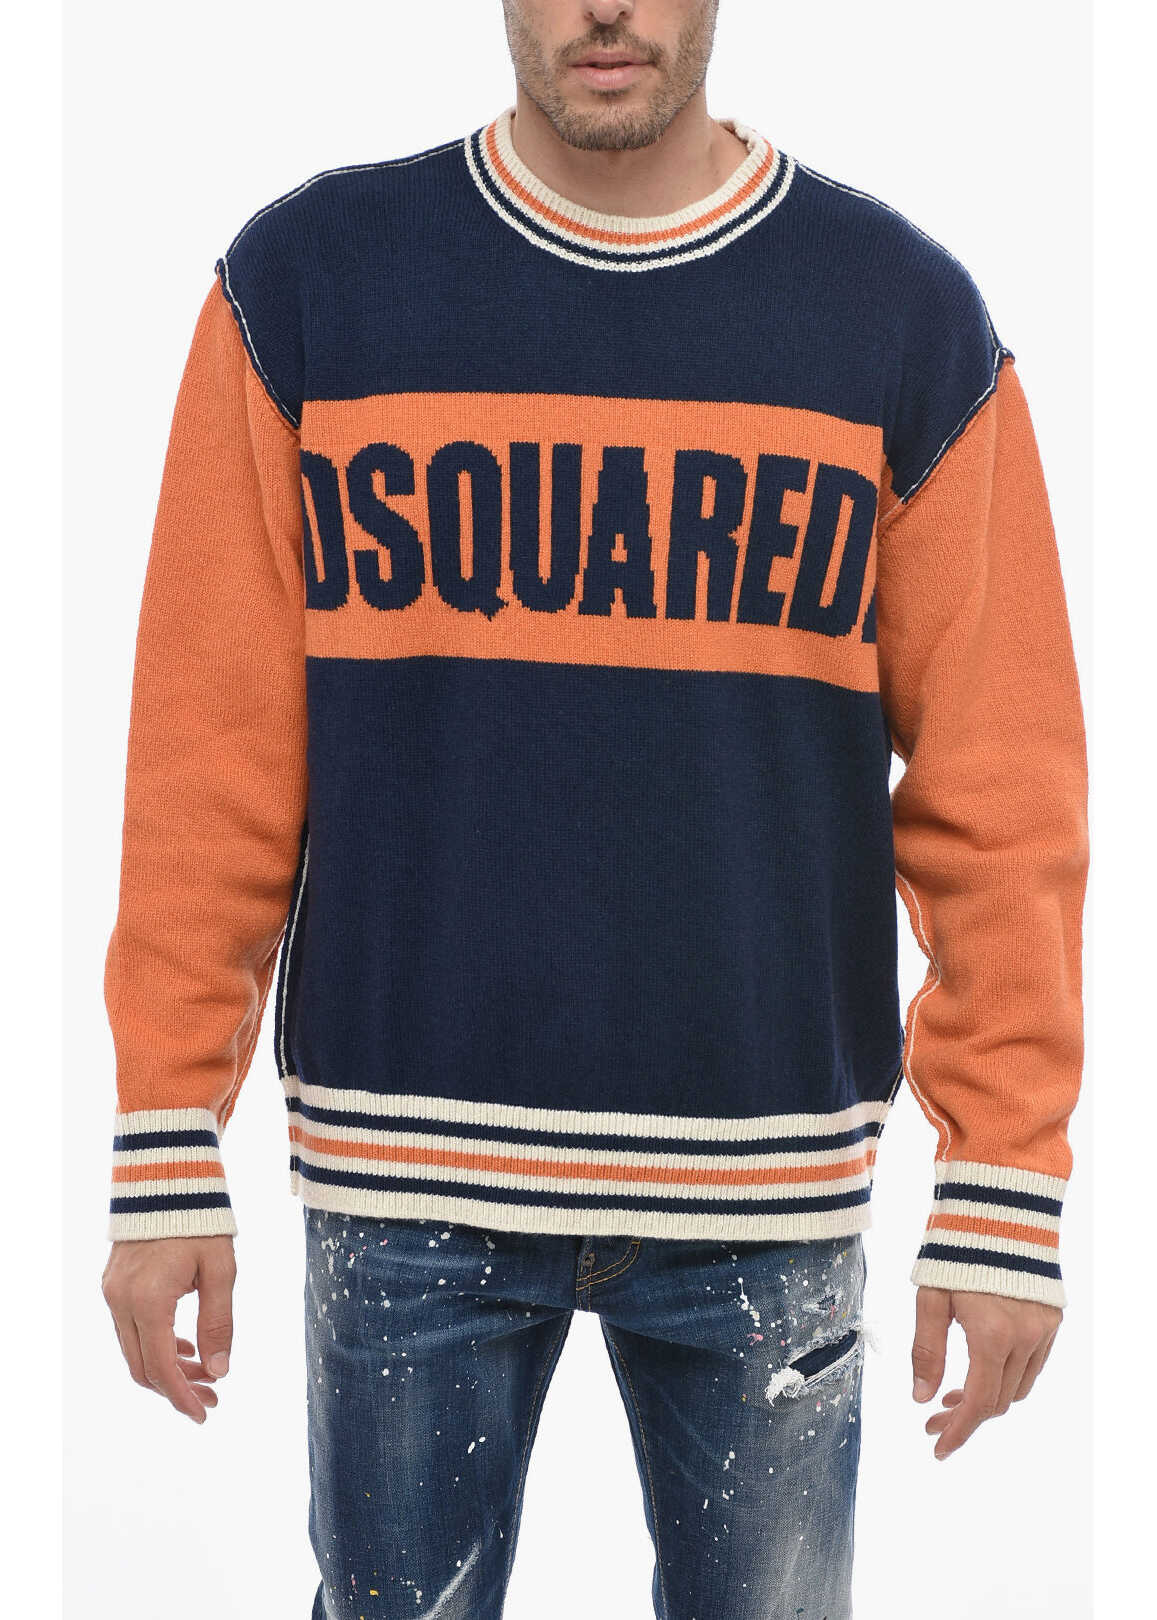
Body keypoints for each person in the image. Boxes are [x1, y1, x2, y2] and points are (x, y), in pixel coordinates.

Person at [99, 2, 1089, 1615]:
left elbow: (1004, 786)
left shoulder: (896, 316)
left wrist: (1004, 1184)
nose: (605, 8)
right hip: (404, 1180)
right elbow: (208, 760)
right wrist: (162, 1138)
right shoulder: (312, 287)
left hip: (764, 1190)